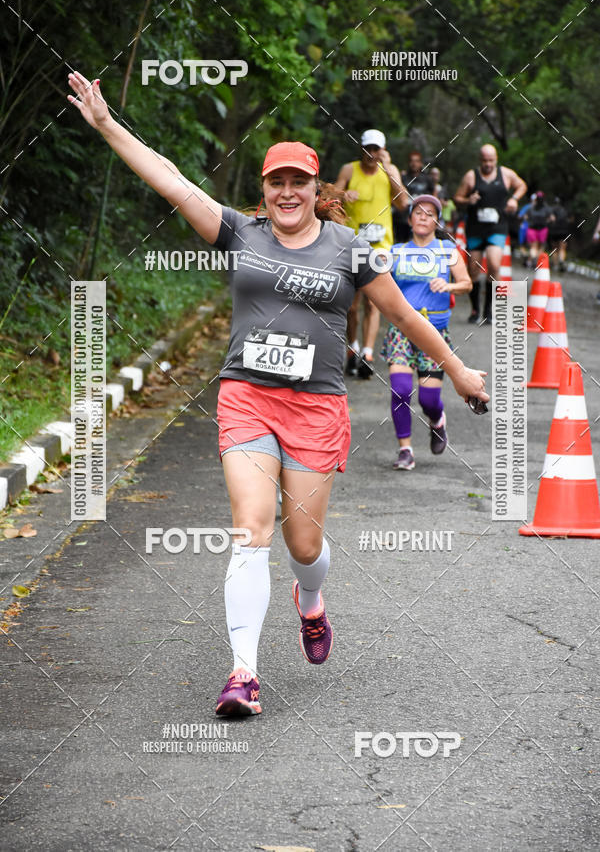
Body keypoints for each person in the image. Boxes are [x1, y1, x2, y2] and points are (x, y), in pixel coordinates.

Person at [67, 71, 488, 717]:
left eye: (299, 181)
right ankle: (243, 674)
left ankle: (310, 602)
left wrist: (458, 372)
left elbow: (404, 317)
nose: (287, 191)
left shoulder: (349, 250)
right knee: (251, 528)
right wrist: (104, 123)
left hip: (316, 407)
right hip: (248, 399)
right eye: (275, 181)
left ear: (316, 190)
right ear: (263, 191)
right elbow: (172, 178)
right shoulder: (241, 234)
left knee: (304, 545)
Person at [382, 195, 472, 470]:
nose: (423, 217)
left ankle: (437, 420)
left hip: (434, 330)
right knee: (400, 390)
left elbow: (467, 283)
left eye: (430, 213)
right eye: (418, 212)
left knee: (428, 399)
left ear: (437, 220)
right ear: (409, 219)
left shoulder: (447, 250)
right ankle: (405, 450)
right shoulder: (396, 251)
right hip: (401, 330)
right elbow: (376, 282)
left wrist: (449, 287)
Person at [334, 129, 406, 379]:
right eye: (367, 149)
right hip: (352, 243)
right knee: (351, 305)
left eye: (376, 149)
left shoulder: (390, 171)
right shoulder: (349, 169)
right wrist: (344, 194)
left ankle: (367, 353)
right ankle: (352, 349)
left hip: (381, 246)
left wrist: (388, 170)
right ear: (361, 149)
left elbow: (403, 203)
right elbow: (331, 195)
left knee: (373, 302)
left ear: (383, 151)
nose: (371, 154)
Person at [454, 144, 527, 324]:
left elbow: (522, 185)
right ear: (480, 159)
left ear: (496, 159)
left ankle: (489, 310)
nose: (488, 164)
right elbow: (457, 198)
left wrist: (514, 199)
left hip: (497, 227)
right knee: (473, 270)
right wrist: (467, 200)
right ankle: (475, 309)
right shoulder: (471, 176)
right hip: (475, 228)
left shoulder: (506, 174)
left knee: (494, 265)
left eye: (491, 160)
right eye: (485, 160)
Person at [395, 150, 437, 242]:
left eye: (417, 161)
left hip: (422, 218)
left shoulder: (427, 179)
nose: (414, 164)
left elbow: (434, 194)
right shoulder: (402, 178)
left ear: (421, 163)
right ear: (408, 163)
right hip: (403, 219)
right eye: (411, 161)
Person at [524, 191, 553, 268]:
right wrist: (547, 221)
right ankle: (536, 260)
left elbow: (525, 217)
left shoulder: (531, 207)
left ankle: (533, 258)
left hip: (532, 229)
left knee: (533, 246)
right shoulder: (547, 208)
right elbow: (552, 218)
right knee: (541, 246)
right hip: (542, 229)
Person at [548, 196, 569, 272]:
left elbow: (551, 219)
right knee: (562, 248)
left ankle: (555, 265)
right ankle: (561, 261)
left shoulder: (551, 209)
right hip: (564, 231)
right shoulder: (565, 210)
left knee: (555, 249)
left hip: (554, 231)